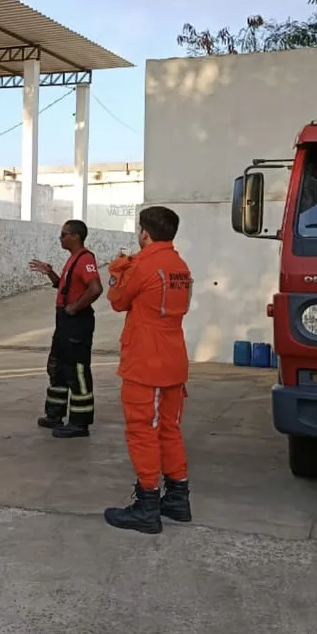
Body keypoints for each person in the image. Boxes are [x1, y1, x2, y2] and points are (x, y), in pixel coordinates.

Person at [102, 206, 194, 535]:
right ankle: (178, 498)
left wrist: (117, 270)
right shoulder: (180, 266)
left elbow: (117, 300)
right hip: (173, 360)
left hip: (145, 363)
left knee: (142, 431)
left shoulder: (142, 264)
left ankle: (147, 505)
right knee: (169, 429)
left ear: (145, 232)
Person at [28, 219, 103, 438]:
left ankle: (80, 423)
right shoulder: (73, 259)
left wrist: (75, 308)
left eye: (63, 234)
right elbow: (67, 287)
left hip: (76, 323)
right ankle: (54, 414)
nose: (60, 238)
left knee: (76, 371)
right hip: (64, 322)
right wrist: (50, 274)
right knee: (57, 367)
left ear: (75, 236)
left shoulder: (85, 259)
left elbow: (95, 288)